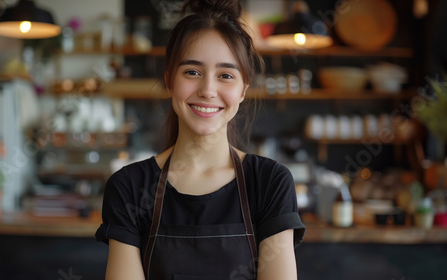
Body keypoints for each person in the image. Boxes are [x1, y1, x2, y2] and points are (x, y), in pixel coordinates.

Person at [95, 0, 305, 279]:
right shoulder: (129, 187)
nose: (208, 90)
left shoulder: (269, 182)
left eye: (225, 75)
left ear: (243, 90)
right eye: (192, 72)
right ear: (170, 80)